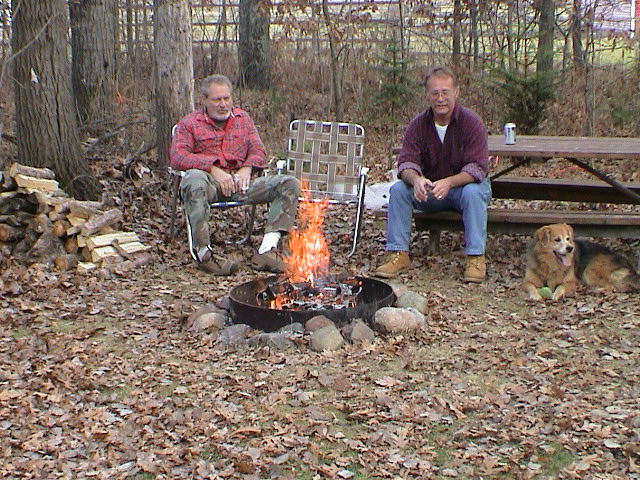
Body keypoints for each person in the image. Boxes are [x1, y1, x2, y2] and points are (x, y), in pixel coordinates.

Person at [170, 74, 300, 275]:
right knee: (193, 180)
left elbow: (259, 151)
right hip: (208, 184)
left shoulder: (243, 119)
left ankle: (267, 250)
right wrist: (213, 169)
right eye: (217, 99)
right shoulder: (189, 124)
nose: (223, 104)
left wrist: (246, 169)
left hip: (241, 183)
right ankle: (204, 254)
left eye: (226, 98)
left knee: (289, 183)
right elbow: (178, 156)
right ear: (204, 100)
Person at [374, 66, 491, 283]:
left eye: (445, 92)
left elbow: (478, 168)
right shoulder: (418, 125)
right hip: (430, 192)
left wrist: (449, 182)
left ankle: (475, 258)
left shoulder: (471, 123)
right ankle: (398, 254)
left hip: (463, 191)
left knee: (474, 192)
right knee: (399, 190)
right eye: (435, 93)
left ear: (456, 92)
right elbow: (405, 163)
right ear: (427, 95)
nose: (440, 99)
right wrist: (416, 179)